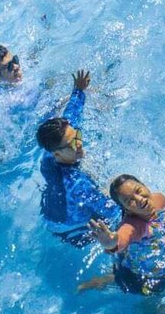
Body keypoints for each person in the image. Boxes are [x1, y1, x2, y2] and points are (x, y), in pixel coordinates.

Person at [35, 70, 121, 246]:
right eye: (73, 143)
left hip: (54, 208)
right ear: (57, 154)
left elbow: (71, 116)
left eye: (78, 137)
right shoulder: (78, 185)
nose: (79, 143)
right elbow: (114, 210)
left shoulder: (52, 151)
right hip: (71, 229)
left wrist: (79, 91)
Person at [78, 175, 165, 295]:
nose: (140, 199)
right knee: (155, 304)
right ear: (127, 209)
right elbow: (123, 236)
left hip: (136, 260)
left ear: (144, 185)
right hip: (141, 278)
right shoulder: (135, 225)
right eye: (130, 201)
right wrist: (112, 243)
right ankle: (101, 282)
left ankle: (104, 280)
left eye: (138, 191)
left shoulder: (159, 200)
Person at [0, 43, 42, 118]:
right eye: (9, 66)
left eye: (15, 60)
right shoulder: (6, 102)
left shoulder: (21, 65)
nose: (16, 66)